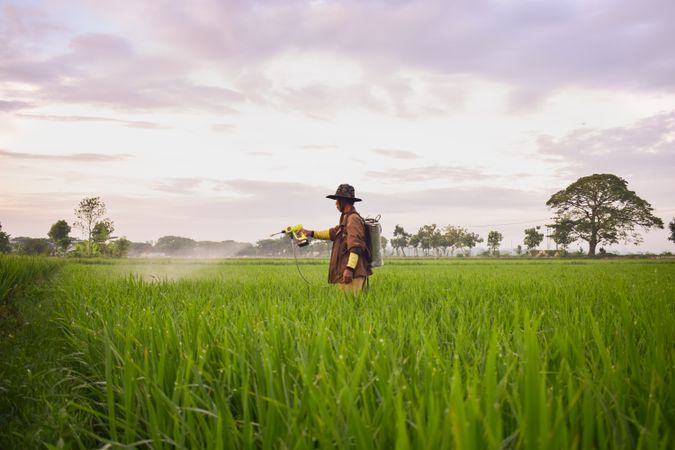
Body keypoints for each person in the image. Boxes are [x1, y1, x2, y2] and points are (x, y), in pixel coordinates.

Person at [302, 184, 372, 294]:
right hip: (349, 272)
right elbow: (333, 233)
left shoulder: (353, 219)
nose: (336, 203)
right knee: (347, 305)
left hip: (354, 273)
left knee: (353, 305)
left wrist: (349, 269)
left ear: (344, 201)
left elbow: (356, 246)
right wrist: (310, 233)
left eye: (337, 200)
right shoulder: (346, 218)